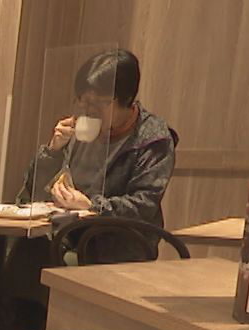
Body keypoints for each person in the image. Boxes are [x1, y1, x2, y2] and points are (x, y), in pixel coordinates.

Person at [29, 49, 178, 229]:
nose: (89, 110)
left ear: (127, 99)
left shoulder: (154, 138)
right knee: (15, 242)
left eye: (99, 102)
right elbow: (32, 192)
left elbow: (143, 205)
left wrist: (92, 206)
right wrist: (53, 151)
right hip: (68, 231)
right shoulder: (80, 128)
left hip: (118, 237)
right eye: (84, 101)